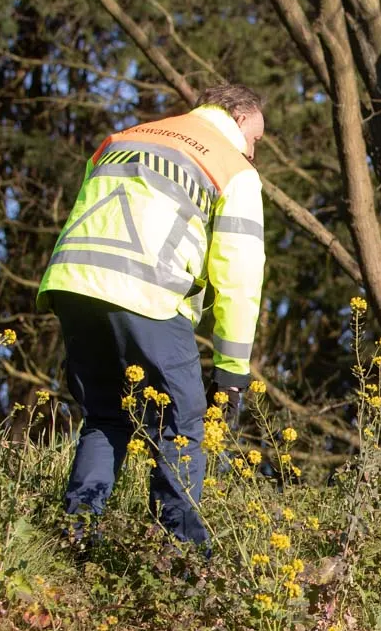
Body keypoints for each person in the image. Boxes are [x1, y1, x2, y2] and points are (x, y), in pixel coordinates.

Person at [36, 83, 267, 549]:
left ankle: (77, 535)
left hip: (72, 281)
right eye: (256, 139)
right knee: (181, 425)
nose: (254, 152)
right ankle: (179, 556)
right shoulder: (232, 166)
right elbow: (239, 276)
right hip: (147, 290)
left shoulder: (122, 138)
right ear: (239, 118)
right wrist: (231, 373)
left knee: (106, 415)